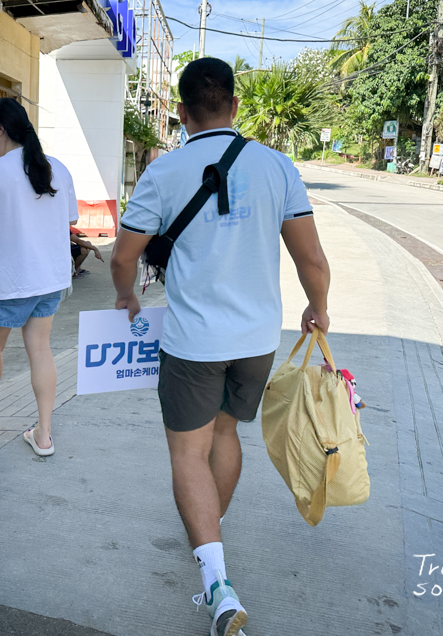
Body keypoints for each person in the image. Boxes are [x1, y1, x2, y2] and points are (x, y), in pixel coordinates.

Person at [110, 57, 330, 636]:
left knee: (188, 455)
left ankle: (216, 581)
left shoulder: (164, 171)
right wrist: (318, 308)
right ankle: (210, 534)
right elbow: (311, 260)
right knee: (228, 435)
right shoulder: (278, 167)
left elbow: (124, 256)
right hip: (257, 340)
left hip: (192, 343)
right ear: (235, 105)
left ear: (181, 113)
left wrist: (127, 298)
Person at [0, 97, 77, 457]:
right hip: (50, 279)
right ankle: (43, 435)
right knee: (40, 350)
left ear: (0, 129)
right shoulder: (57, 168)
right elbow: (69, 217)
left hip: (8, 280)